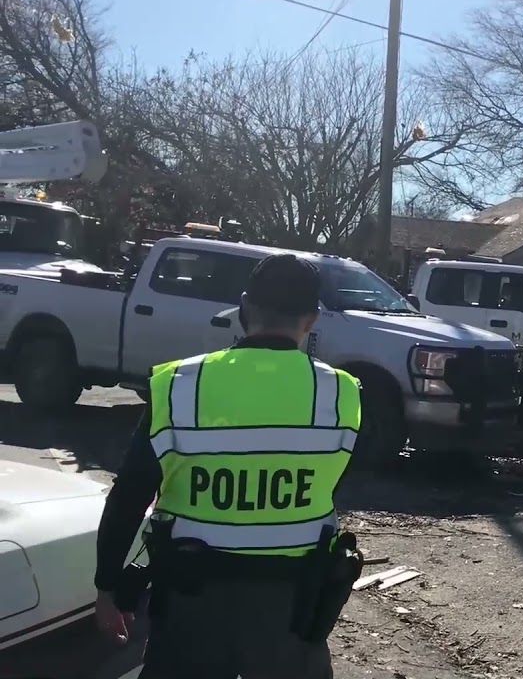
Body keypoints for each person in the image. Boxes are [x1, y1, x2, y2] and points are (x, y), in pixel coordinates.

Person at [93, 253, 363, 679]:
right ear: (311, 319)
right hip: (293, 610)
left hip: (189, 603)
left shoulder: (180, 385)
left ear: (242, 308)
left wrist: (108, 586)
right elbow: (335, 481)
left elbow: (131, 493)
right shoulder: (342, 393)